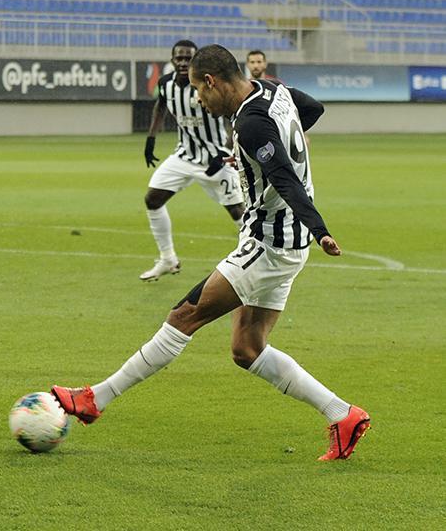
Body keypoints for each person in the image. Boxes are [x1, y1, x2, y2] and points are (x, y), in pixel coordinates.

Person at [52, 44, 370, 461]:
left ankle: (95, 399)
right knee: (247, 349)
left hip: (269, 244)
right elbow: (313, 108)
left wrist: (320, 229)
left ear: (211, 81)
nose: (199, 100)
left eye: (198, 91)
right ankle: (343, 415)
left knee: (183, 316)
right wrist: (269, 155)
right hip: (285, 243)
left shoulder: (251, 124)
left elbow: (284, 178)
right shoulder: (274, 90)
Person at [141, 39, 245, 282]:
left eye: (188, 58)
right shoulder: (166, 84)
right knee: (152, 199)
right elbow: (160, 105)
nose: (183, 62)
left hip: (216, 158)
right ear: (172, 60)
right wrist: (151, 138)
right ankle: (168, 258)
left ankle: (255, 259)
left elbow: (232, 116)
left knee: (238, 212)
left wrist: (227, 149)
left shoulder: (207, 85)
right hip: (184, 155)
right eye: (179, 58)